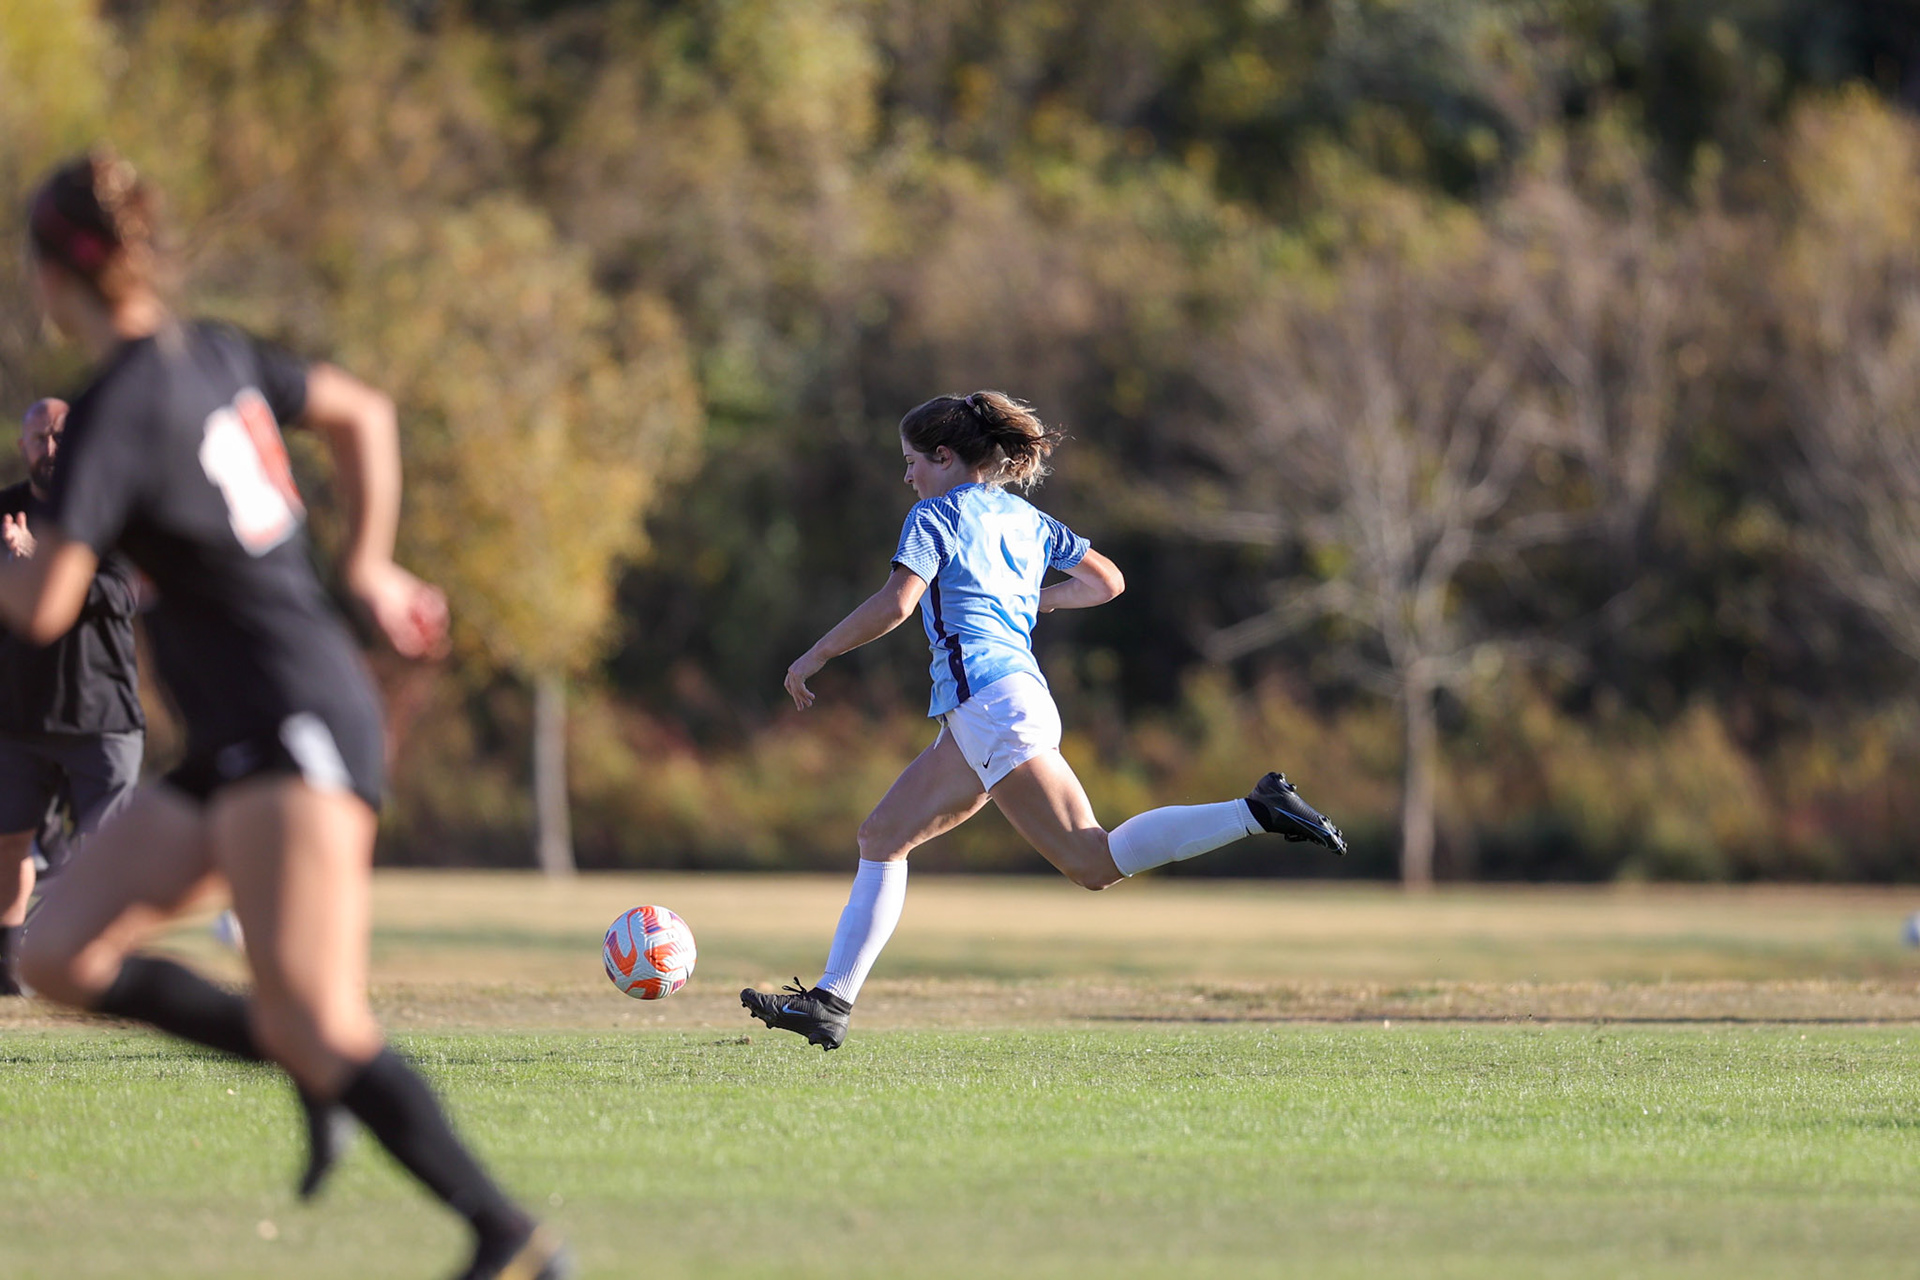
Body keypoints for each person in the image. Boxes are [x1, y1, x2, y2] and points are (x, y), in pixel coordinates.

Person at [7, 150, 568, 1280]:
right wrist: (368, 563)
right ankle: (304, 1069)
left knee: (320, 1018)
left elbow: (45, 602)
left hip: (298, 724)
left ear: (54, 276)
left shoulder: (121, 401)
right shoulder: (209, 351)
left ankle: (508, 1234)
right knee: (58, 950)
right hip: (242, 739)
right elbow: (362, 412)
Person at [741, 391, 1347, 1050]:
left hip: (991, 705)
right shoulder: (1026, 519)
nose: (907, 475)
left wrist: (817, 652)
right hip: (999, 703)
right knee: (882, 836)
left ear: (944, 457)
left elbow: (898, 602)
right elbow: (1106, 581)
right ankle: (831, 1002)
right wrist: (1035, 602)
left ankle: (1257, 811)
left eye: (912, 460)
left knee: (1094, 861)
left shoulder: (934, 514)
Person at [0, 397, 145, 996]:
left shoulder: (110, 505)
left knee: (106, 851)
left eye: (60, 435)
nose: (50, 449)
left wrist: (42, 566)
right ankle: (7, 971)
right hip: (16, 715)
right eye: (40, 438)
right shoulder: (4, 512)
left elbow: (124, 592)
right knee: (7, 843)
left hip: (100, 713)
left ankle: (104, 972)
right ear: (23, 446)